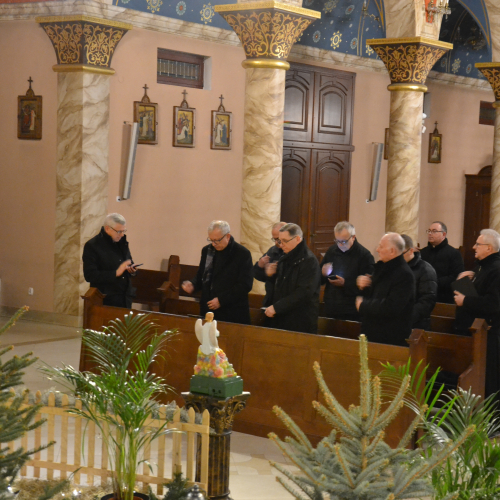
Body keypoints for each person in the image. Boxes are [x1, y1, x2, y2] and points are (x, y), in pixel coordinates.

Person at [453, 229, 500, 399]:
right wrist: (465, 280)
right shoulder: (482, 266)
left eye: (478, 244)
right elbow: (479, 293)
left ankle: (488, 413)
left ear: (489, 248)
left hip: (488, 335)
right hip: (474, 331)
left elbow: (494, 304)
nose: (474, 247)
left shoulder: (496, 269)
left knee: (487, 380)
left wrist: (465, 301)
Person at [182, 220, 253, 325]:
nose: (213, 244)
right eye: (211, 240)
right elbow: (201, 275)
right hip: (208, 309)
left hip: (232, 312)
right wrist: (193, 285)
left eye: (217, 240)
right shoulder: (207, 251)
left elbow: (245, 285)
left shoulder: (242, 254)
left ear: (227, 236)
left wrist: (221, 300)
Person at [355, 233, 415, 346]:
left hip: (390, 337)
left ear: (392, 251)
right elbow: (374, 295)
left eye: (381, 246)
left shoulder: (404, 274)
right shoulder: (382, 268)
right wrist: (364, 286)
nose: (377, 249)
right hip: (373, 333)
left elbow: (391, 306)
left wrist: (363, 305)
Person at [264, 223, 321, 334]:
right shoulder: (285, 256)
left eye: (285, 241)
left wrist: (277, 307)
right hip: (283, 316)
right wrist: (271, 276)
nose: (281, 245)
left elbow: (304, 292)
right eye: (279, 241)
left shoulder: (309, 261)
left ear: (297, 239)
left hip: (300, 320)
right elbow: (281, 286)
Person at [320, 221, 375, 321]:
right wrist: (323, 273)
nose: (340, 244)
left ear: (353, 237)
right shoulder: (331, 251)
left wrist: (345, 283)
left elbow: (368, 286)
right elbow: (320, 280)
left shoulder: (364, 256)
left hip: (351, 309)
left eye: (344, 241)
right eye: (337, 241)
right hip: (331, 306)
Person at [82, 213, 139, 308]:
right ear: (107, 228)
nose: (122, 235)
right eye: (119, 231)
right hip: (106, 299)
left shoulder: (122, 242)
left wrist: (132, 270)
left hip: (125, 297)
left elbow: (128, 262)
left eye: (123, 231)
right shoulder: (92, 246)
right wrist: (116, 273)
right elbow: (90, 275)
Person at [420, 221, 464, 304]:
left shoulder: (454, 253)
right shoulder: (423, 252)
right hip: (424, 295)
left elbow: (457, 276)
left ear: (443, 234)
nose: (430, 234)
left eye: (434, 231)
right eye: (429, 231)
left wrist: (435, 282)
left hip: (444, 296)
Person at [401, 234, 437, 330]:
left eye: (401, 254)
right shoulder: (395, 268)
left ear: (411, 251)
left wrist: (405, 318)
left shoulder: (425, 269)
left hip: (415, 325)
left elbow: (427, 300)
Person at [253, 222, 287, 307]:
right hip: (270, 299)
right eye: (274, 239)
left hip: (285, 301)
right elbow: (259, 276)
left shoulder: (292, 253)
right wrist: (259, 266)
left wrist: (271, 275)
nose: (276, 243)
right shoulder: (272, 251)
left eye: (278, 239)